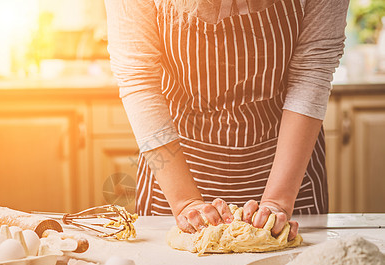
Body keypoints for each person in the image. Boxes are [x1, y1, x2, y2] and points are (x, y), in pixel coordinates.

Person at [104, 0, 349, 240]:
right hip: (176, 167)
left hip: (287, 168)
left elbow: (313, 69)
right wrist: (185, 202)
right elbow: (139, 77)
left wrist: (278, 201)